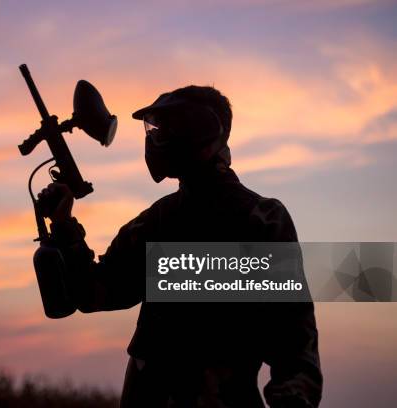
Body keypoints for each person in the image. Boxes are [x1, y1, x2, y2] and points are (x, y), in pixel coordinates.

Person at [37, 85, 323, 407]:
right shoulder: (157, 221)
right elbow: (95, 292)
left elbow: (293, 338)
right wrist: (63, 224)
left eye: (169, 127)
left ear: (202, 130)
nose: (157, 138)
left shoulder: (258, 220)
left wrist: (294, 399)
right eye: (155, 128)